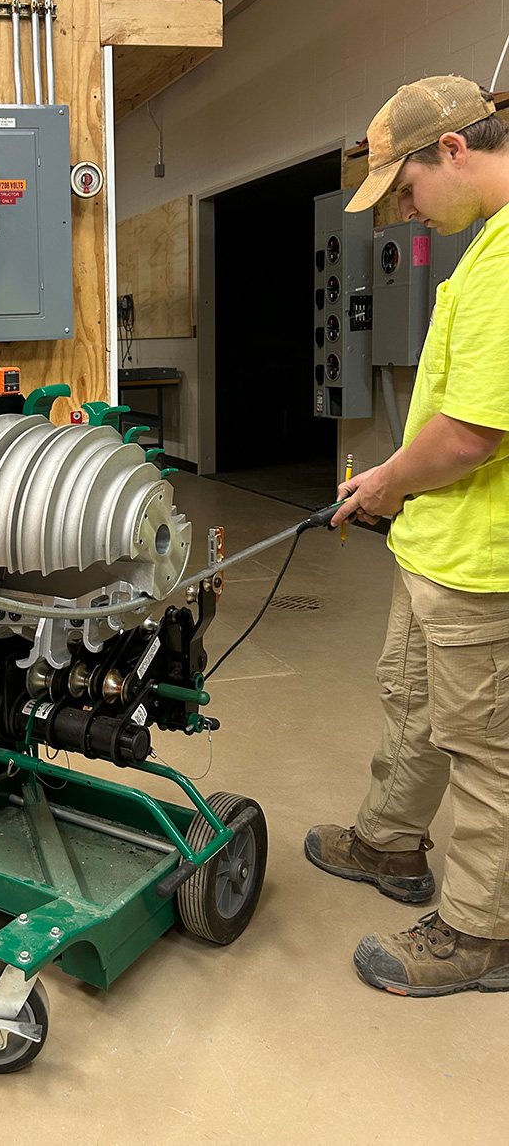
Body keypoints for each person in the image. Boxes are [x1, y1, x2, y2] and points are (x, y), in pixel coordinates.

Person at [305, 74, 509, 996]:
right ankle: (389, 844)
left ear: (455, 151)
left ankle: (479, 934)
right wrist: (392, 491)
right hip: (437, 542)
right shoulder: (483, 248)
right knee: (415, 704)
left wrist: (386, 481)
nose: (405, 214)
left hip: (484, 560)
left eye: (408, 189)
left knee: (483, 748)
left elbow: (474, 434)